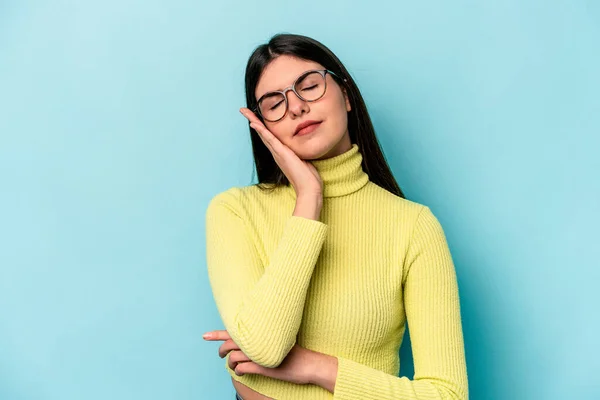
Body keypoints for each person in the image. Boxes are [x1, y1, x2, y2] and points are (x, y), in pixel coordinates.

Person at [203, 33, 469, 400]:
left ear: (345, 95)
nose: (296, 107)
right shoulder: (234, 211)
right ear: (261, 126)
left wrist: (315, 367)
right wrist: (309, 199)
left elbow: (448, 395)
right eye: (273, 103)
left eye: (309, 86)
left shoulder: (413, 227)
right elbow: (265, 348)